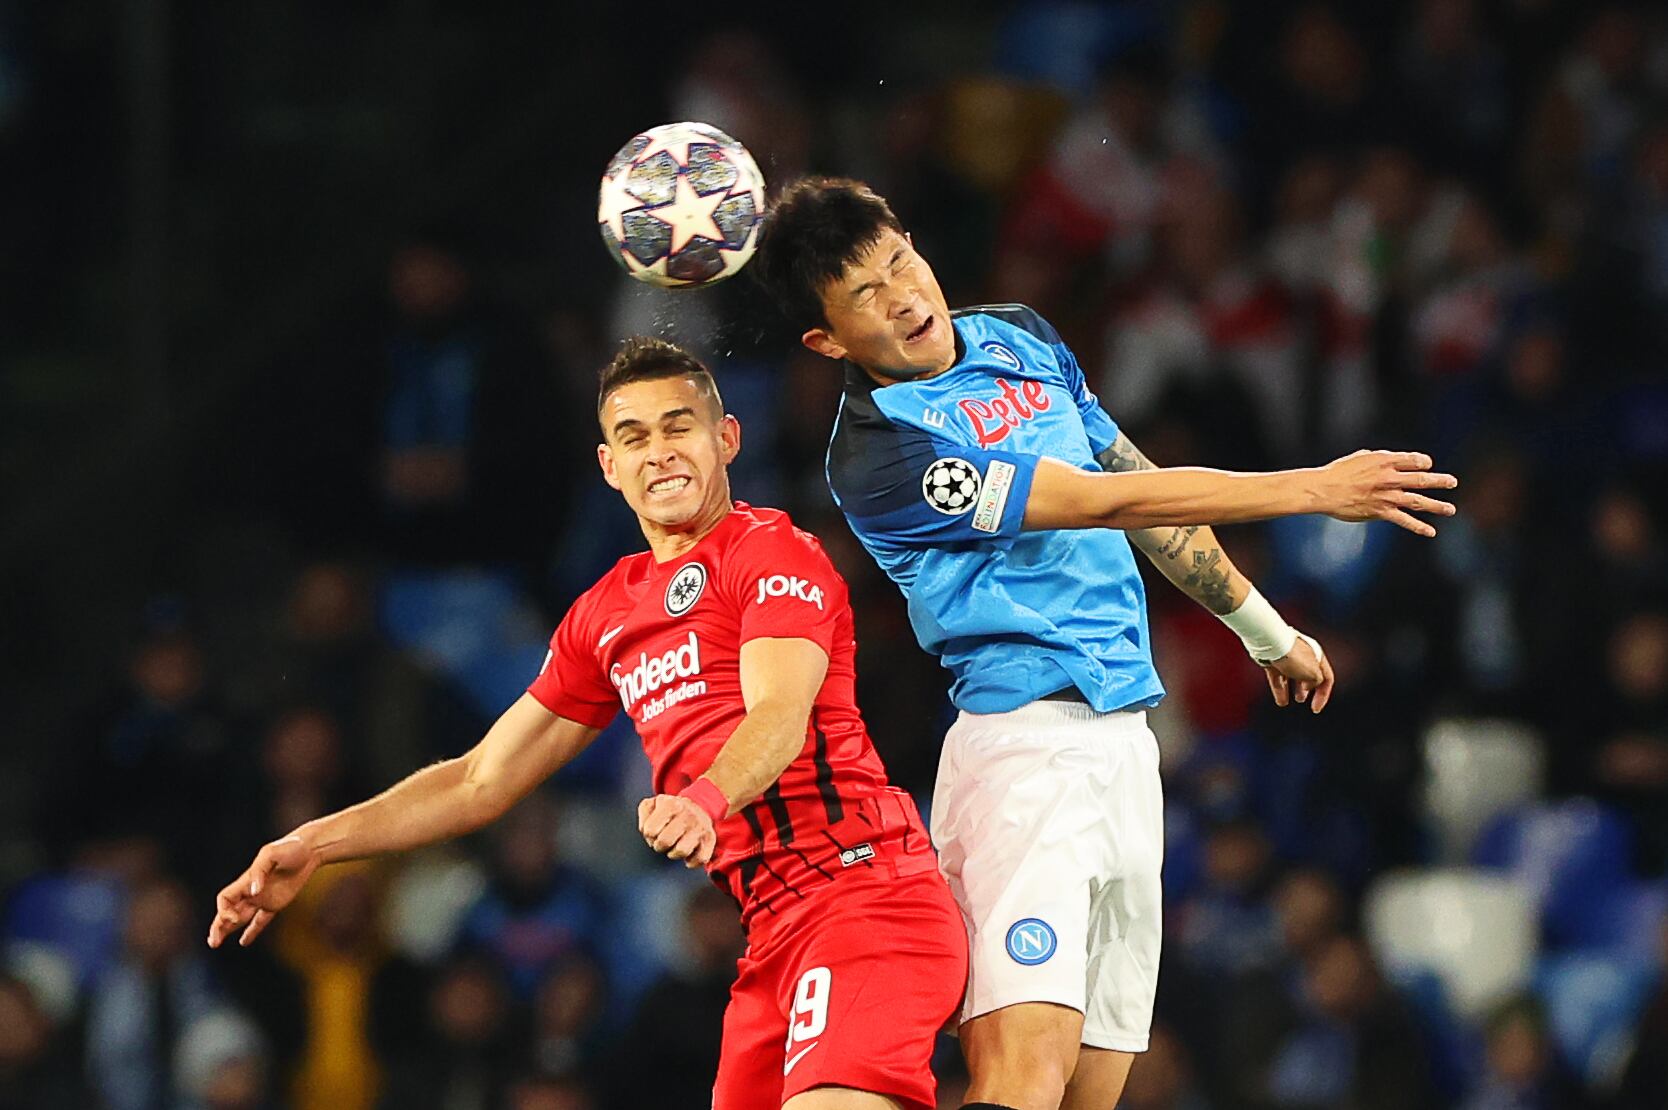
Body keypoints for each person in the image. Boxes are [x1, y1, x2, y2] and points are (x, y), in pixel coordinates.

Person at [751, 177, 1458, 1110]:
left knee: (1093, 1094)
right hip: (1022, 758)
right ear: (826, 340)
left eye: (900, 263)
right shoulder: (880, 455)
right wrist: (1310, 488)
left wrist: (1264, 629)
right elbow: (1099, 502)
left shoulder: (1019, 336)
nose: (906, 297)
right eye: (866, 298)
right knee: (1020, 1081)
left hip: (1127, 748)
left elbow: (1137, 484)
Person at [207, 337, 970, 1110]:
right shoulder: (605, 614)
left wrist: (703, 800)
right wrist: (317, 843)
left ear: (727, 438)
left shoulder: (773, 553)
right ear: (610, 466)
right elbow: (479, 779)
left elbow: (779, 712)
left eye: (680, 427)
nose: (660, 452)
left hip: (863, 899)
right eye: (635, 437)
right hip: (769, 941)